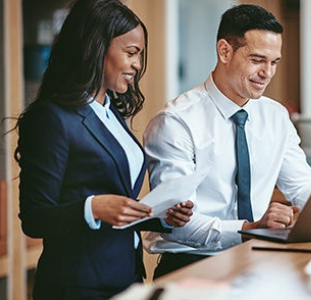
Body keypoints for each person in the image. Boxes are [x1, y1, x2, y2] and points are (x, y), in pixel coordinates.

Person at [14, 0, 193, 299]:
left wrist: (160, 215)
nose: (137, 65)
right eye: (131, 53)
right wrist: (93, 207)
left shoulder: (110, 113)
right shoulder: (52, 118)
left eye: (140, 55)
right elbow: (35, 217)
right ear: (96, 48)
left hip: (126, 276)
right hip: (77, 287)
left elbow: (114, 204)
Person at [143, 4, 311, 278]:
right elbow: (178, 223)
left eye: (274, 62)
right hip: (192, 266)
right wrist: (251, 228)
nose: (267, 73)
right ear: (224, 51)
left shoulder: (275, 117)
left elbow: (304, 188)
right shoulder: (176, 121)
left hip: (260, 260)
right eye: (257, 59)